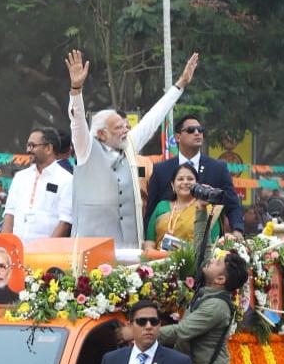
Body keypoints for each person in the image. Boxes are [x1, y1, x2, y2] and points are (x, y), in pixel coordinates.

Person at [65, 49, 198, 247]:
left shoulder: (128, 145)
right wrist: (76, 90)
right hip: (91, 249)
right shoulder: (87, 149)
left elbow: (153, 118)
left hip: (129, 246)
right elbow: (77, 123)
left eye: (126, 126)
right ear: (102, 134)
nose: (126, 130)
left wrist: (180, 85)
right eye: (118, 128)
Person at [143, 115, 244, 236]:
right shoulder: (161, 169)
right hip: (167, 246)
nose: (197, 133)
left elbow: (232, 204)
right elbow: (151, 211)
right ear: (178, 137)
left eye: (200, 130)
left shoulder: (218, 168)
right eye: (191, 130)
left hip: (208, 244)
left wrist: (237, 230)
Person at [1, 128, 73, 241]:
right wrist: (5, 247)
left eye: (32, 145)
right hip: (17, 251)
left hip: (47, 254)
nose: (28, 150)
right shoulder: (20, 177)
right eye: (28, 145)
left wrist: (46, 252)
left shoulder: (66, 179)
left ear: (48, 148)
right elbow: (10, 213)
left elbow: (65, 222)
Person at [142, 164, 221, 253]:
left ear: (197, 184)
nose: (185, 182)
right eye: (180, 179)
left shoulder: (207, 209)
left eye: (190, 179)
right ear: (172, 184)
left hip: (192, 263)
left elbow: (213, 245)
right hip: (157, 262)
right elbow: (149, 241)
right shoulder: (161, 206)